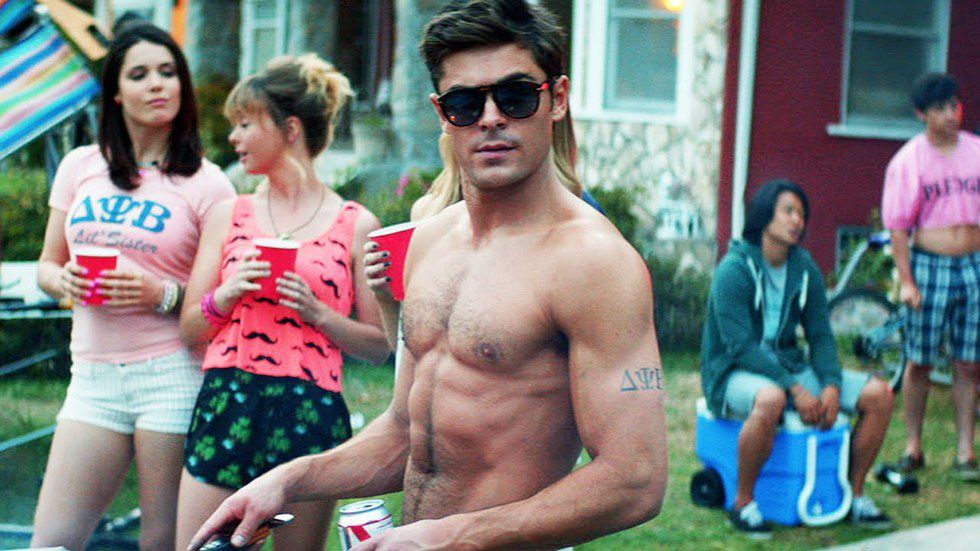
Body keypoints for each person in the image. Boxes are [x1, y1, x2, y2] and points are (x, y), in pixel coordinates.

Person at [188, 1, 667, 549]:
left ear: (556, 99)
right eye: (465, 103)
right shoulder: (429, 241)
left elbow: (635, 480)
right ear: (442, 113)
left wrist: (453, 537)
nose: (491, 118)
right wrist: (288, 480)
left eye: (515, 96)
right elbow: (403, 433)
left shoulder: (593, 262)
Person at [31, 23, 235, 550]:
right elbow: (47, 265)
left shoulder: (209, 184)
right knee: (50, 542)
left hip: (172, 376)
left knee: (162, 541)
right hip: (92, 377)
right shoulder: (81, 166)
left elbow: (215, 301)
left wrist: (158, 294)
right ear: (117, 92)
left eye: (168, 72)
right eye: (139, 75)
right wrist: (63, 281)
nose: (157, 84)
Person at [174, 53, 391, 551]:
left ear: (290, 128)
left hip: (308, 412)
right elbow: (189, 329)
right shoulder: (228, 214)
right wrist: (228, 294)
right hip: (227, 400)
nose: (234, 137)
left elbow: (379, 347)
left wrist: (318, 314)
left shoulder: (357, 224)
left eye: (246, 124)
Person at [700, 180, 896, 538]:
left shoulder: (803, 267)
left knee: (879, 395)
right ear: (764, 215)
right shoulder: (734, 269)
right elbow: (739, 346)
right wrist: (794, 388)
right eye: (788, 211)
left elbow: (820, 334)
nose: (797, 221)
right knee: (770, 398)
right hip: (733, 371)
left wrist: (832, 385)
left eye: (802, 214)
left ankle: (854, 496)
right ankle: (743, 503)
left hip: (789, 365)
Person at [882, 73, 980, 481]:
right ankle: (913, 447)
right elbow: (898, 228)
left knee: (969, 362)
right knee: (920, 361)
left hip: (973, 265)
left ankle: (965, 452)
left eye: (954, 105)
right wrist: (907, 281)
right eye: (940, 108)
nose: (950, 115)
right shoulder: (909, 161)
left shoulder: (975, 151)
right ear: (922, 114)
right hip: (929, 266)